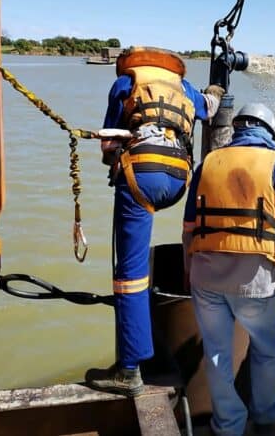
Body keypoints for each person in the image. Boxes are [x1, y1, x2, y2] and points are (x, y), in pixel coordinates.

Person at [182, 102, 275, 436]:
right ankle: (265, 416)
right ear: (270, 132)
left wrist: (189, 271)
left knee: (216, 354)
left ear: (236, 129)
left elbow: (189, 229)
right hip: (255, 280)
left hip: (205, 277)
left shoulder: (208, 164)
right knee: (267, 349)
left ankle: (227, 426)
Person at [88, 46, 225, 397]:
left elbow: (108, 143)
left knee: (130, 276)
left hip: (141, 176)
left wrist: (114, 160)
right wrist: (215, 89)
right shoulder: (184, 87)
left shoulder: (125, 83)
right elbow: (210, 108)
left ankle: (129, 371)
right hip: (179, 178)